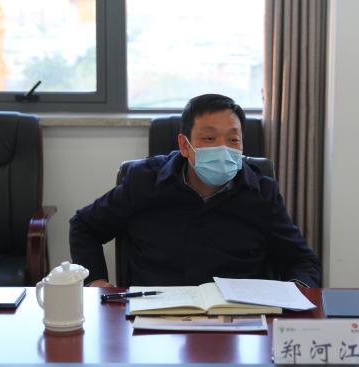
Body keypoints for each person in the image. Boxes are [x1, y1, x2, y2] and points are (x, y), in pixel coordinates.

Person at [69, 93, 321, 287]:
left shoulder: (262, 193)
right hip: (156, 315)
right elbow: (84, 225)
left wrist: (296, 291)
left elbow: (302, 261)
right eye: (209, 139)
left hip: (240, 319)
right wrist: (95, 281)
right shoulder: (145, 181)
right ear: (184, 145)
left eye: (233, 140)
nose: (223, 148)